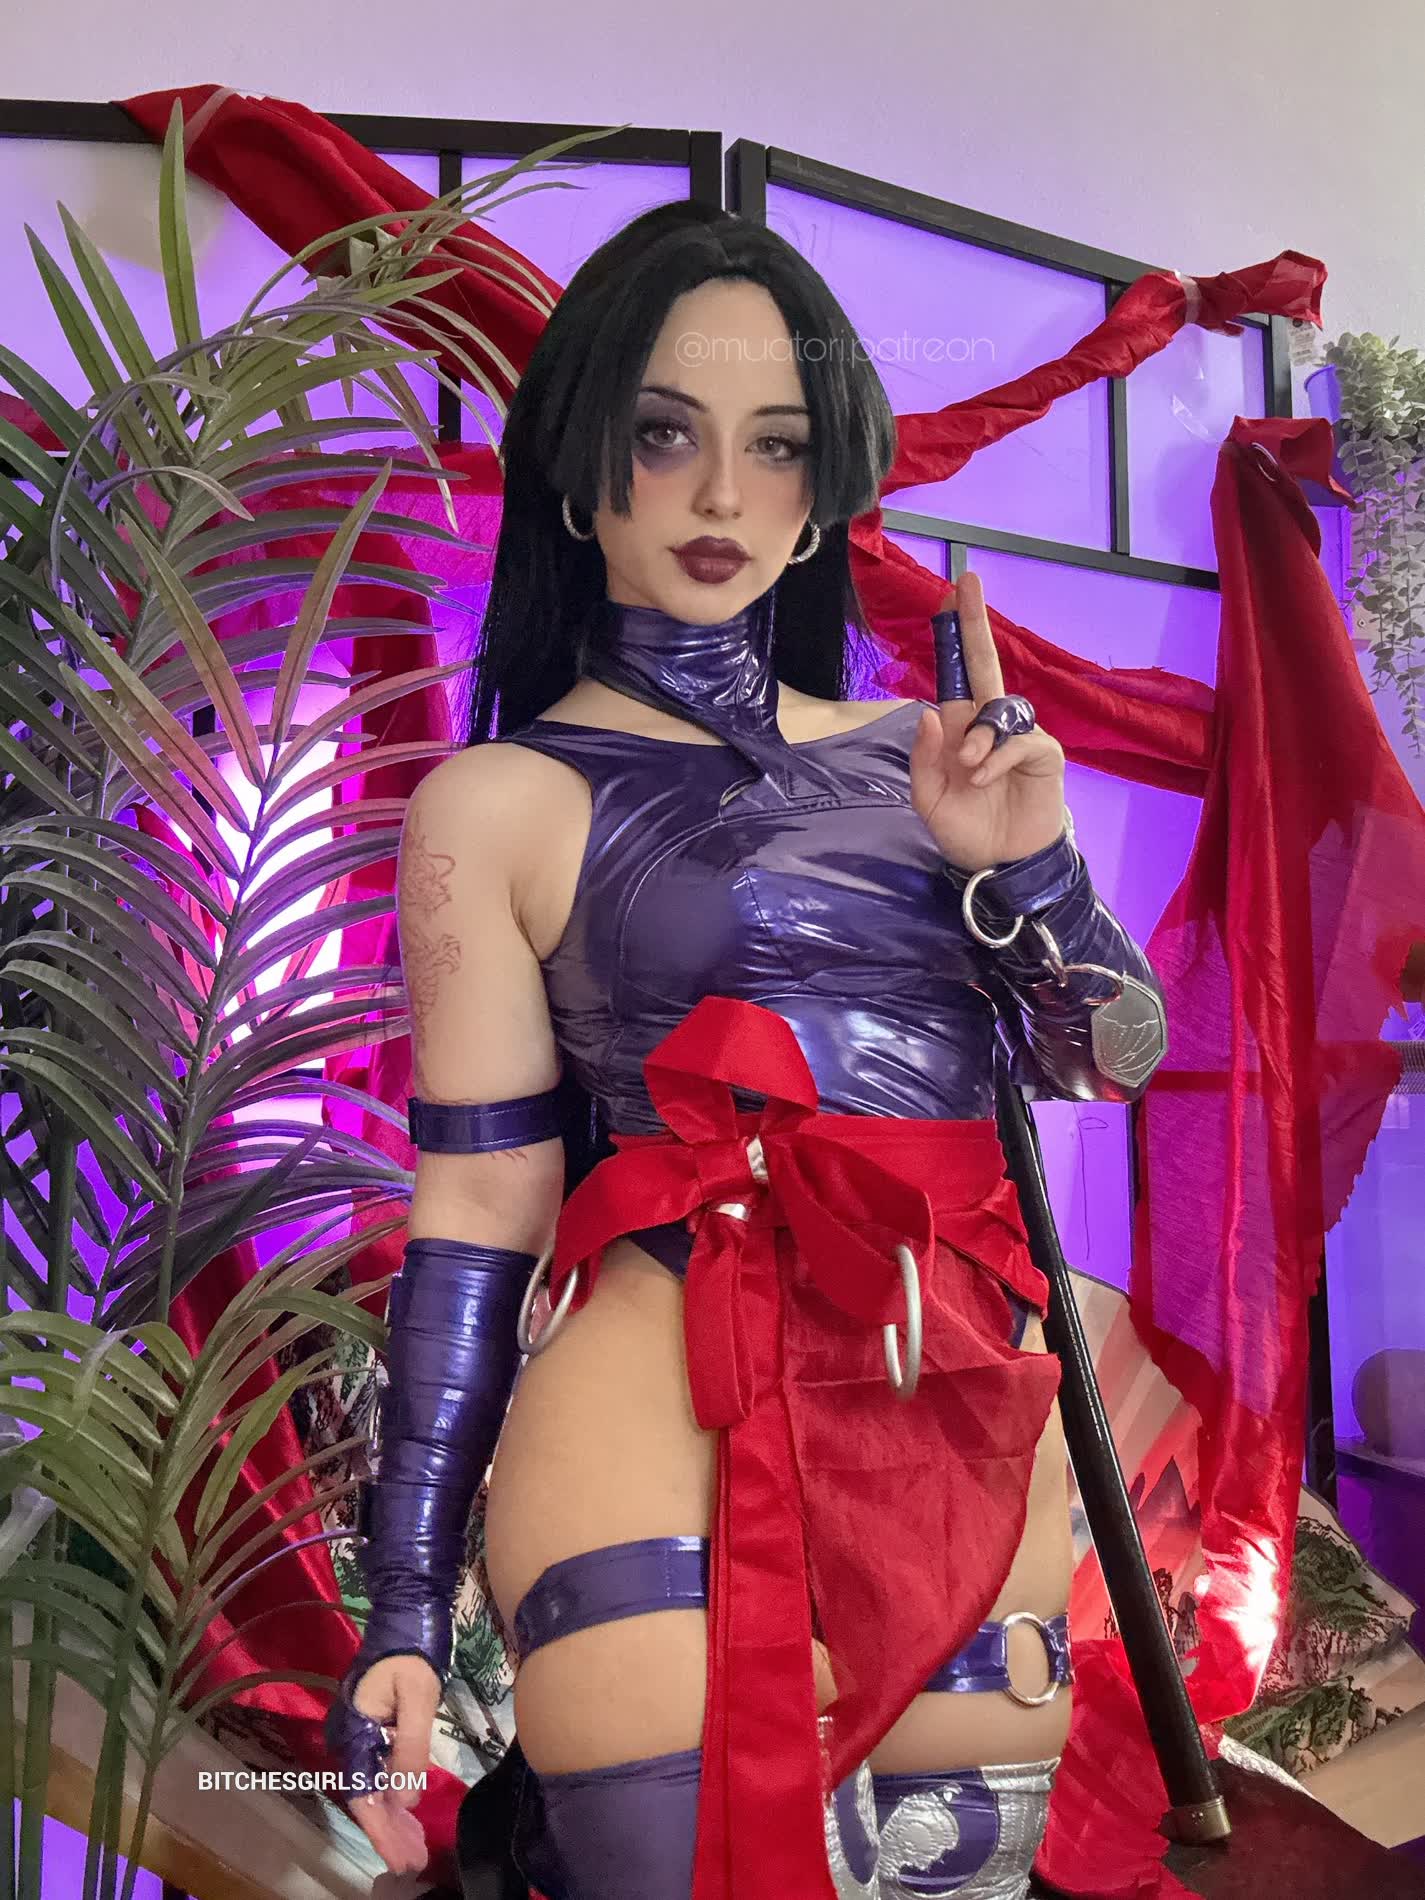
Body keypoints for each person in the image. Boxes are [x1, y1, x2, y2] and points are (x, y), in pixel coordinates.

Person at [324, 199, 1168, 1899]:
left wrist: (1027, 865)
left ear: (823, 486)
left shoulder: (935, 761)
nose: (720, 494)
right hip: (654, 1419)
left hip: (948, 1419)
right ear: (580, 475)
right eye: (664, 434)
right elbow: (481, 1206)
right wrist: (402, 1604)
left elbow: (1105, 1062)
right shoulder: (496, 801)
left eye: (774, 445)